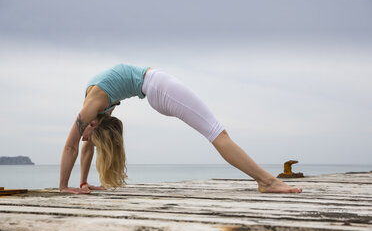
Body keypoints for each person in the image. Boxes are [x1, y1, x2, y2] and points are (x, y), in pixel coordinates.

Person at [59, 63, 302, 194]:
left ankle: (266, 180)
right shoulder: (96, 110)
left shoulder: (93, 107)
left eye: (85, 136)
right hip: (157, 88)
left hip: (157, 88)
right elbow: (78, 147)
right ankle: (267, 181)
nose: (84, 139)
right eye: (86, 138)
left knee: (216, 132)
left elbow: (74, 146)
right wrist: (73, 185)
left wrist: (72, 185)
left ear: (92, 123)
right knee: (217, 133)